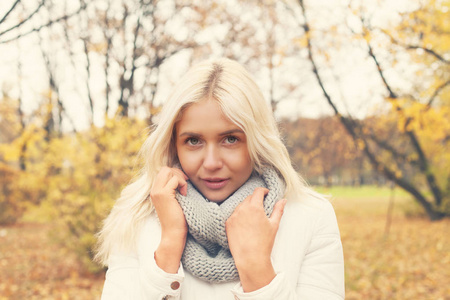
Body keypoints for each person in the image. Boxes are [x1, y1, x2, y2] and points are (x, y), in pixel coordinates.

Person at [95, 58, 345, 299]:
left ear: (256, 140)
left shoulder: (310, 216)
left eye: (231, 139)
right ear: (174, 144)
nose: (212, 162)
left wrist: (256, 268)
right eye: (193, 141)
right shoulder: (138, 216)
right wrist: (170, 241)